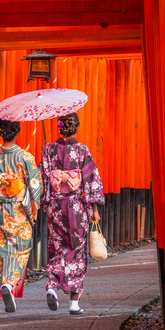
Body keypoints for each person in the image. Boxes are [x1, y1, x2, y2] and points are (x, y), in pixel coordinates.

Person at [39, 112, 104, 315]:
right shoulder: (82, 150)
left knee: (57, 247)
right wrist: (94, 208)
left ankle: (52, 286)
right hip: (76, 206)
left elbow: (41, 178)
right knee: (76, 251)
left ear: (60, 127)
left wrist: (45, 199)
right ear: (76, 127)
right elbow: (92, 179)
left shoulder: (48, 149)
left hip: (56, 207)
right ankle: (74, 302)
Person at [0, 118, 43, 312]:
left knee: (1, 246)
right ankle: (9, 284)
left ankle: (3, 286)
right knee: (21, 246)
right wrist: (35, 205)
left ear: (0, 132)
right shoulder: (25, 157)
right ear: (17, 132)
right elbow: (35, 185)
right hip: (18, 209)